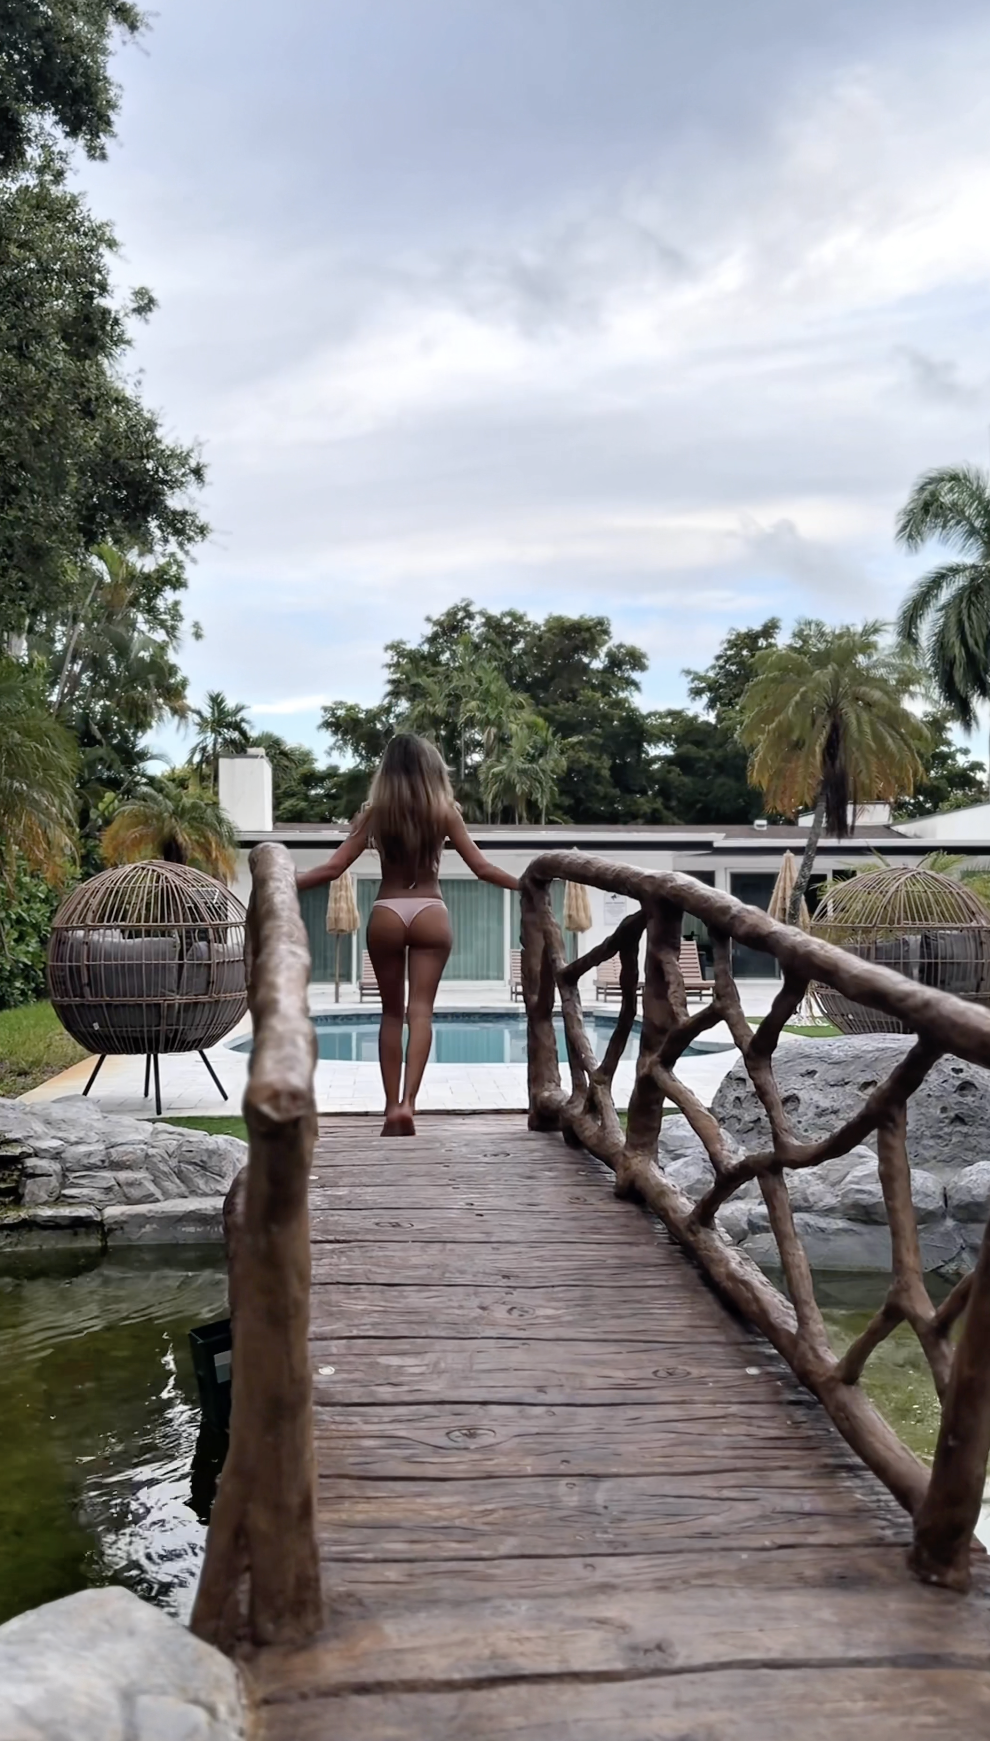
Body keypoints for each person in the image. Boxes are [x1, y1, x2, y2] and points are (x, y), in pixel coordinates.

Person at [296, 733, 519, 1135]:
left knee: (390, 1014)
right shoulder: (444, 812)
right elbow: (482, 868)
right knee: (421, 1013)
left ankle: (389, 1107)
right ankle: (409, 1104)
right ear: (432, 769)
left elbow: (331, 869)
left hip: (388, 910)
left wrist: (284, 882)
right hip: (430, 910)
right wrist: (526, 885)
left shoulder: (375, 815)